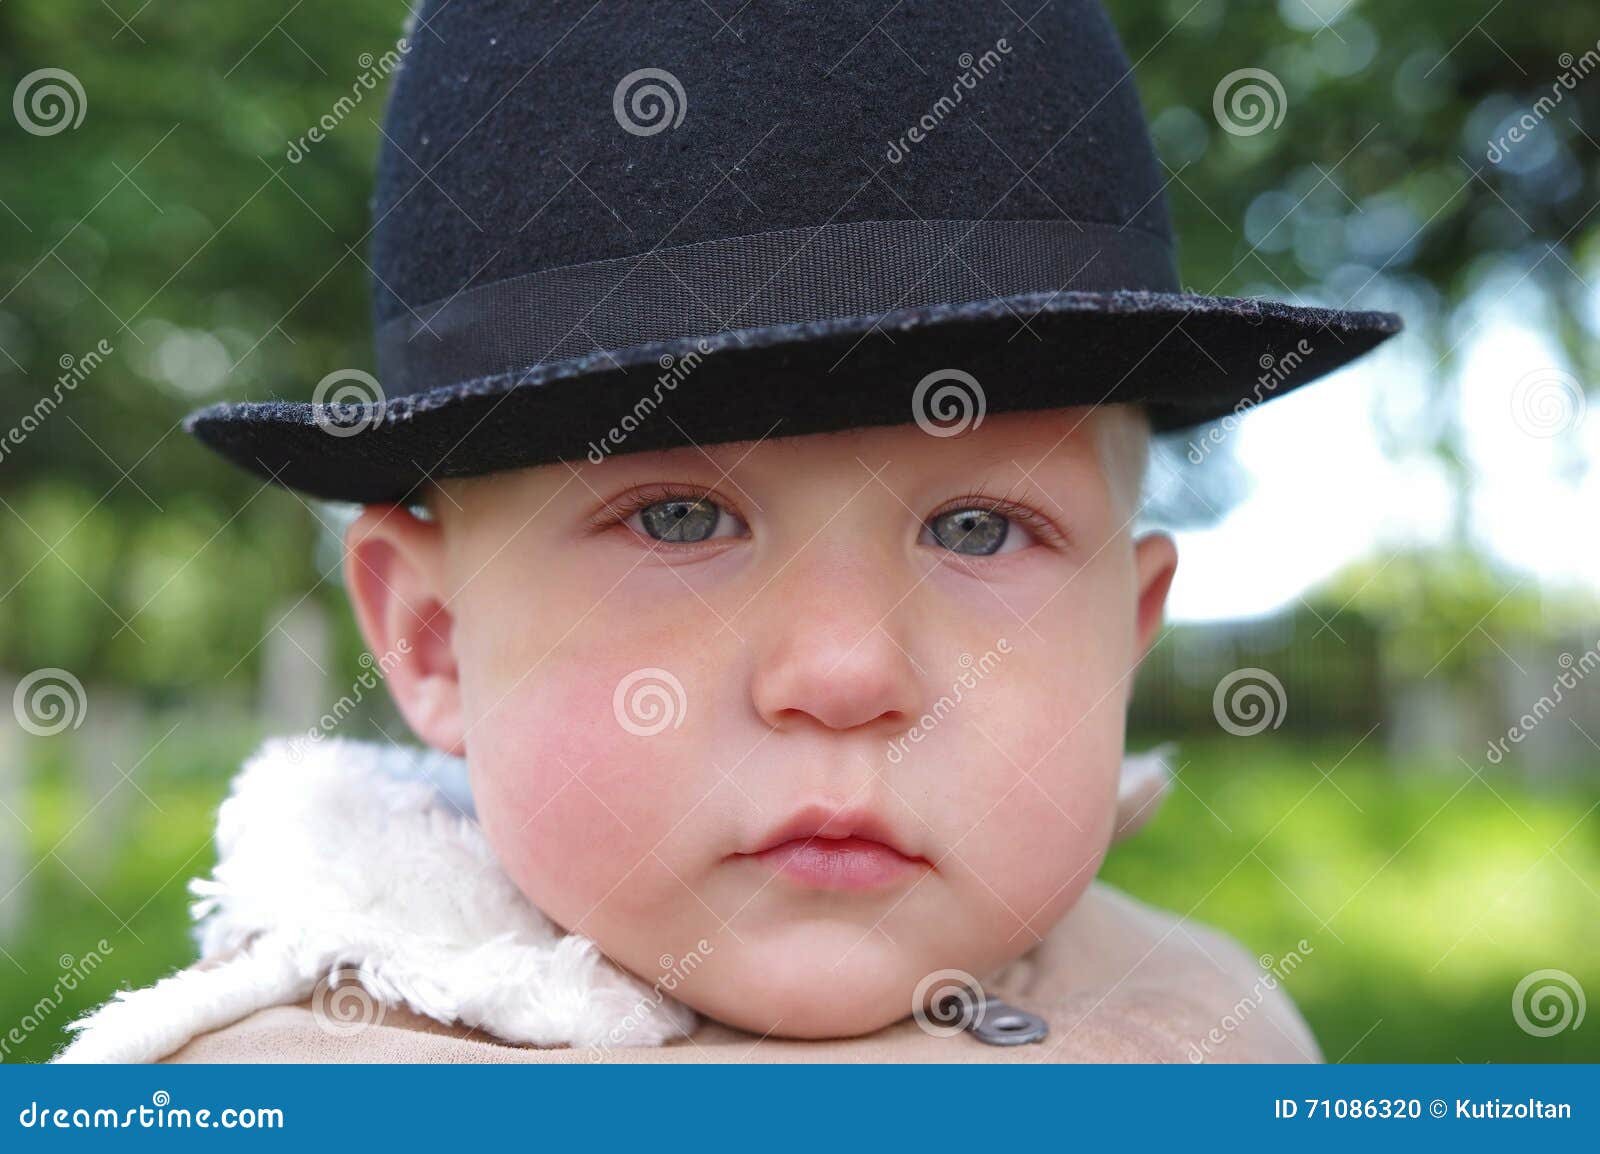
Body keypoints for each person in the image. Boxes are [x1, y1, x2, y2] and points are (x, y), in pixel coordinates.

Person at [55, 0, 1399, 1063]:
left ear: (1126, 635)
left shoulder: (1213, 1032)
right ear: (436, 637)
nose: (846, 673)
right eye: (680, 515)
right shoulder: (296, 1075)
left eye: (982, 528)